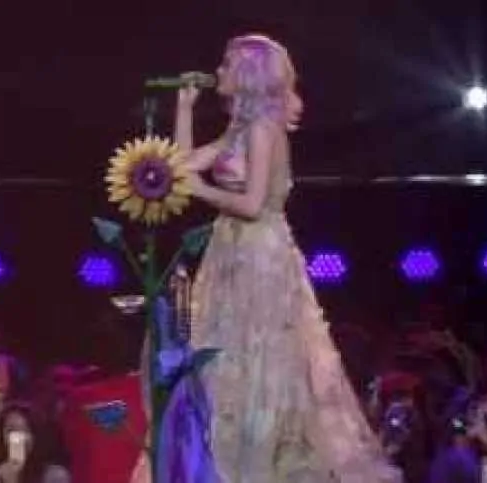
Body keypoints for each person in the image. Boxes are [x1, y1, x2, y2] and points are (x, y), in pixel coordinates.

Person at [176, 34, 402, 481]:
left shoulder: (263, 129)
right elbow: (182, 165)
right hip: (230, 251)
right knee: (227, 356)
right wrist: (184, 110)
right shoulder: (238, 128)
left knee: (264, 356)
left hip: (260, 253)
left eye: (226, 64)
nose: (218, 71)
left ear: (248, 74)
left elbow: (253, 203)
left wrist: (199, 190)